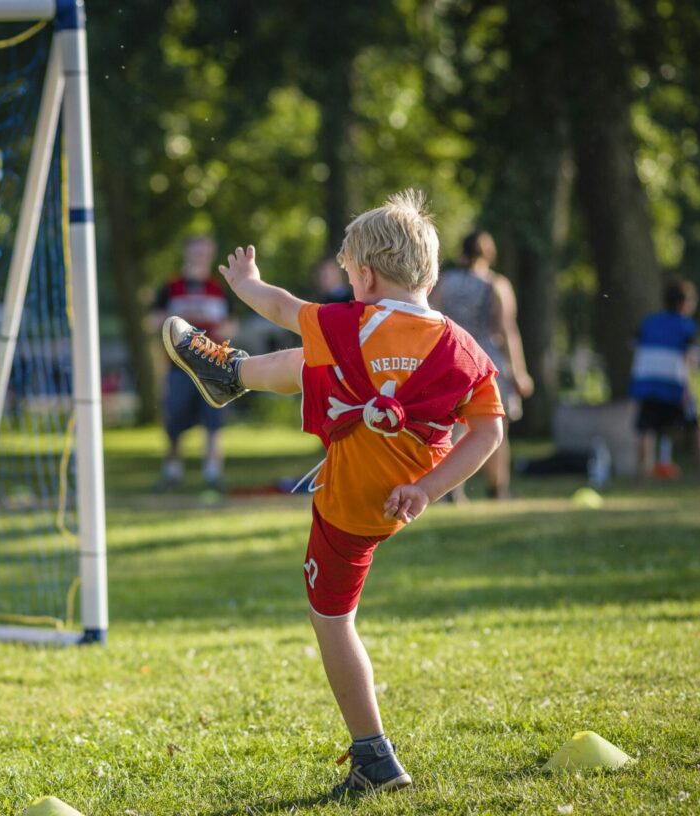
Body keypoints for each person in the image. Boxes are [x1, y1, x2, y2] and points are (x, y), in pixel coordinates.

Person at [162, 190, 504, 796]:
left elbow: (283, 305)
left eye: (348, 274)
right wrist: (428, 489)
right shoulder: (461, 347)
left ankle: (374, 758)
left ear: (365, 274)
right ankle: (229, 375)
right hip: (399, 491)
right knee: (317, 364)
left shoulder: (350, 323)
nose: (347, 284)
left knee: (333, 621)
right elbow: (488, 432)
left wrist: (246, 281)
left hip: (348, 507)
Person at [429, 231, 532, 499]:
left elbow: (432, 320)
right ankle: (498, 488)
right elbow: (507, 329)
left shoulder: (445, 283)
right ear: (489, 254)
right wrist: (519, 372)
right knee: (495, 427)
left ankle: (451, 489)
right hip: (487, 359)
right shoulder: (496, 284)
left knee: (453, 426)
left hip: (452, 357)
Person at [150, 235, 236, 490]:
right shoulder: (171, 287)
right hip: (179, 365)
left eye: (205, 252)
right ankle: (172, 470)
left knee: (214, 419)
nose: (200, 256)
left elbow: (232, 324)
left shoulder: (219, 289)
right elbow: (154, 321)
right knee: (175, 418)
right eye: (196, 251)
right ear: (186, 253)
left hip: (213, 365)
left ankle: (212, 471)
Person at [629, 278, 700, 483]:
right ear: (684, 303)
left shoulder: (648, 322)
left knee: (645, 430)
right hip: (674, 386)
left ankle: (641, 475)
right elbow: (689, 358)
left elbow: (634, 346)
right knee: (696, 427)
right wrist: (689, 388)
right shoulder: (687, 326)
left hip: (647, 384)